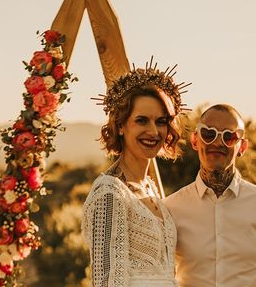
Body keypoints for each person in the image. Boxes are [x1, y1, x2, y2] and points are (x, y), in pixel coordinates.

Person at [164, 104, 256, 287]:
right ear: (195, 140)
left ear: (242, 147)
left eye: (229, 136)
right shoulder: (170, 209)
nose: (217, 143)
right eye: (208, 134)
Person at [81, 63, 188, 287]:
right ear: (121, 126)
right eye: (142, 120)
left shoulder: (150, 188)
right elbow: (107, 282)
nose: (153, 131)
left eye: (161, 122)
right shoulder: (109, 193)